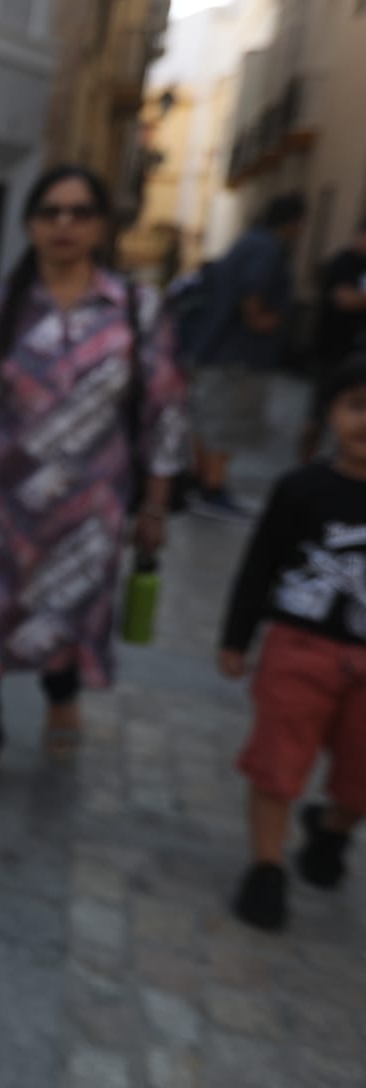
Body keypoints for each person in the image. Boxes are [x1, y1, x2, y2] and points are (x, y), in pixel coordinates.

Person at [0, 165, 188, 796]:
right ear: (31, 224)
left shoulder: (136, 311)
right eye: (50, 212)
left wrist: (157, 508)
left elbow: (165, 411)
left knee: (69, 611)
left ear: (101, 225)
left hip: (91, 508)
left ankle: (64, 699)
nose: (64, 224)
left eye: (80, 212)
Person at [219, 353, 366, 931]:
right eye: (357, 405)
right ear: (330, 412)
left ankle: (331, 828)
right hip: (298, 650)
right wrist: (237, 636)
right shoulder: (301, 488)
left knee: (361, 776)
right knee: (278, 762)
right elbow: (260, 565)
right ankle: (266, 868)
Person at [189, 193, 306, 518]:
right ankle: (212, 488)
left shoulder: (249, 242)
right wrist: (261, 320)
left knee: (210, 419)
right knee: (227, 422)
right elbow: (251, 291)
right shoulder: (267, 248)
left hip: (219, 349)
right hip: (240, 355)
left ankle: (201, 482)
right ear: (295, 221)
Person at [298, 219, 366, 462]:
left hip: (356, 356)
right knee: (318, 416)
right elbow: (344, 299)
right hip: (333, 354)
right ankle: (306, 462)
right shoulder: (344, 262)